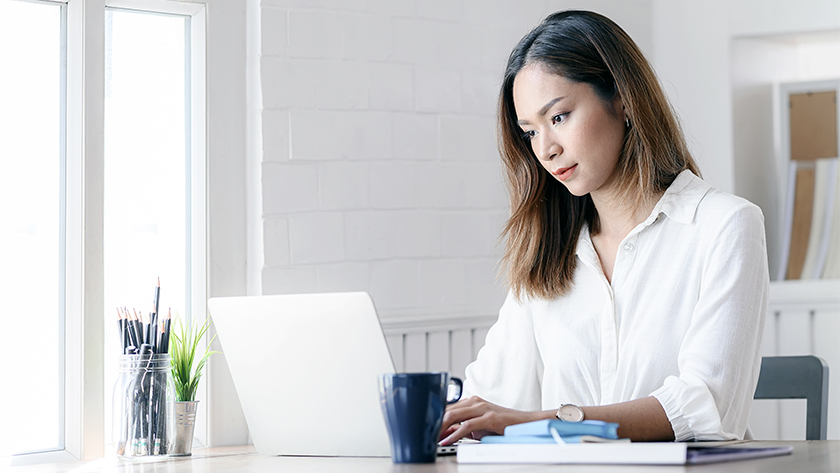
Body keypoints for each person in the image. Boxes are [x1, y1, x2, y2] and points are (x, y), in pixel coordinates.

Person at [439, 10, 768, 444]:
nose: (547, 149)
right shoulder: (548, 251)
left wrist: (544, 422)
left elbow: (706, 405)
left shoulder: (725, 226)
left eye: (558, 117)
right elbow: (491, 395)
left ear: (624, 100)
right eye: (529, 133)